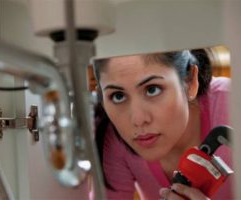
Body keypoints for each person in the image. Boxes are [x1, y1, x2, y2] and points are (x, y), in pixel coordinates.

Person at [93, 49, 233, 200]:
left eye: (152, 89)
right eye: (118, 96)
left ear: (190, 82)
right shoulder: (111, 138)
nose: (138, 120)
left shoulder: (238, 105)